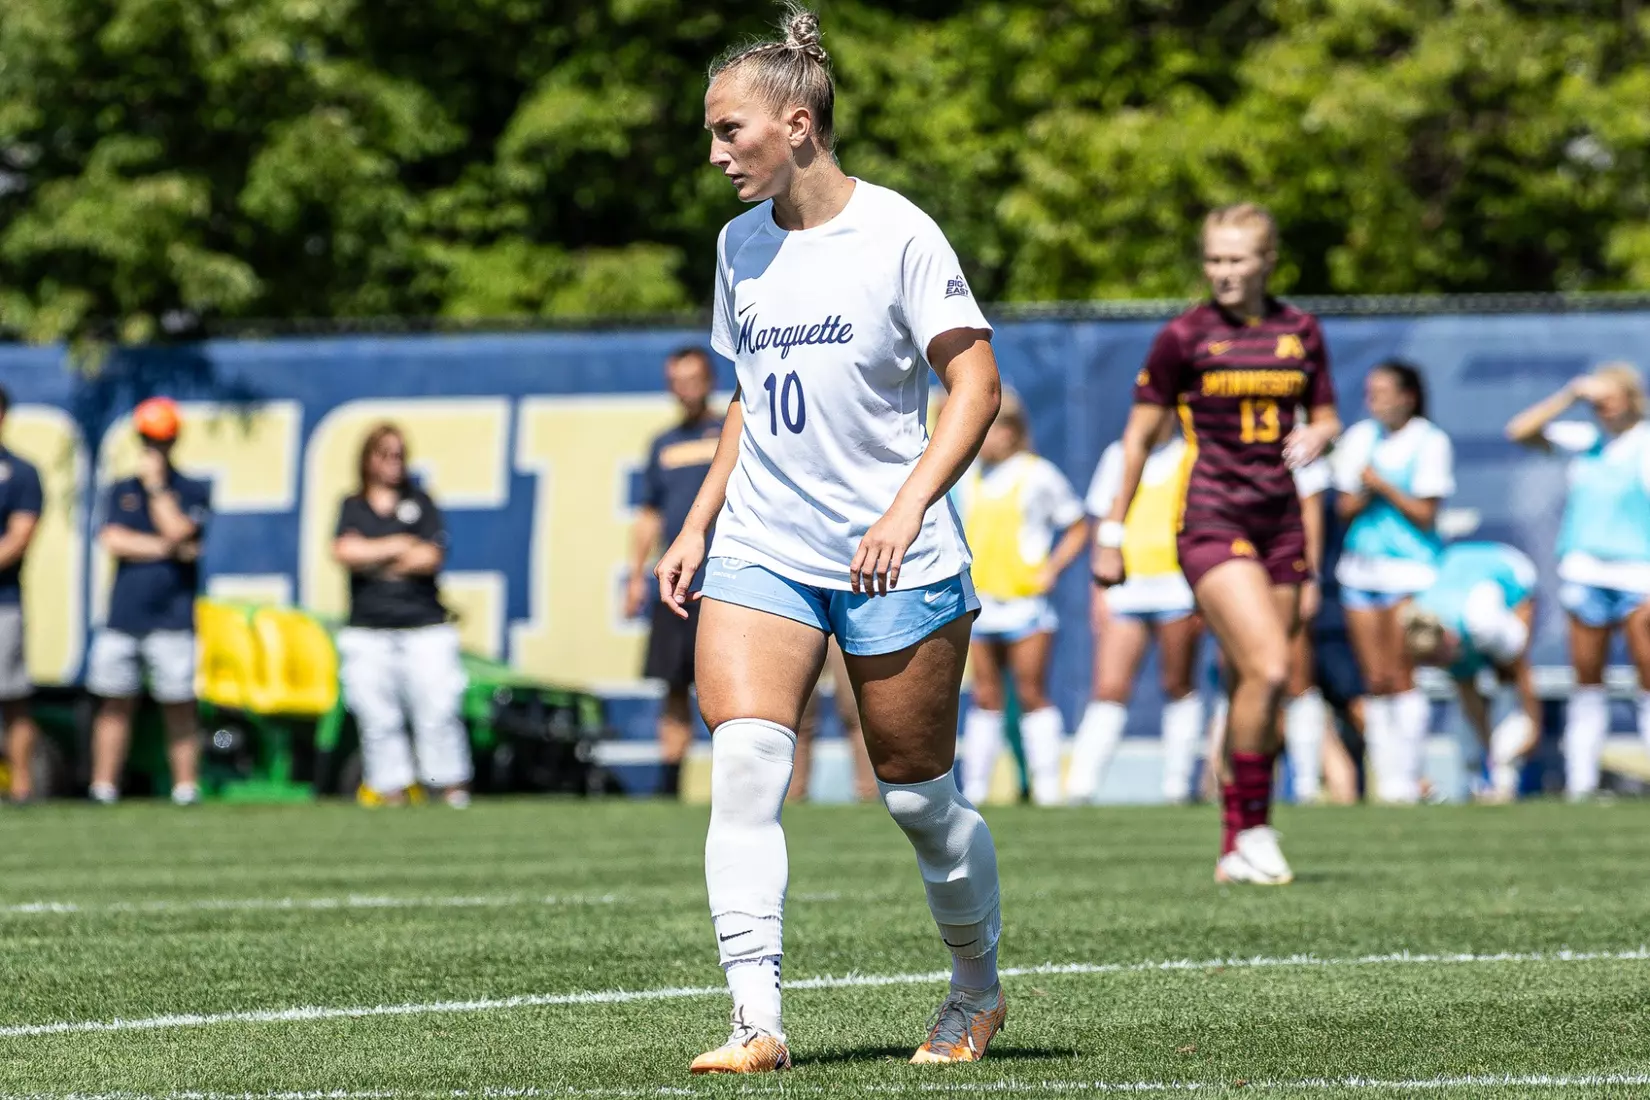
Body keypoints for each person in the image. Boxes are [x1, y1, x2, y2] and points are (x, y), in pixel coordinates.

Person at [656, 6, 1006, 1072]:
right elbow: (750, 399)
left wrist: (906, 507)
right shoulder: (737, 244)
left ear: (798, 124)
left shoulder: (898, 231)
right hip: (764, 544)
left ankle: (976, 989)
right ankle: (755, 1017)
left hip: (892, 555)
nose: (716, 156)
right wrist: (699, 518)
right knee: (749, 761)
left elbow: (978, 385)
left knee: (916, 795)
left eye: (731, 133)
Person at [1094, 202, 1339, 886]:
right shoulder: (1184, 336)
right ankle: (1255, 827)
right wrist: (1112, 533)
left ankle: (1235, 844)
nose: (1224, 272)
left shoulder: (1301, 331)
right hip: (1212, 519)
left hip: (1282, 522)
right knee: (1270, 670)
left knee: (1247, 688)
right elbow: (1139, 438)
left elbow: (1325, 414)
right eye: (1214, 259)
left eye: (1237, 259)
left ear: (1267, 262)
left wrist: (1321, 433)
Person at [1506, 363, 1650, 798]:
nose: (1604, 408)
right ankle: (1581, 782)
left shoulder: (1644, 443)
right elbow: (1520, 431)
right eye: (1599, 400)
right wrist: (1571, 395)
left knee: (1647, 676)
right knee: (1587, 681)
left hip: (1637, 573)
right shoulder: (1586, 442)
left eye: (1612, 398)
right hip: (1585, 572)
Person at [955, 391, 1088, 806]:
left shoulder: (1037, 474)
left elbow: (1077, 525)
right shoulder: (969, 475)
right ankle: (974, 789)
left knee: (1032, 692)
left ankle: (1048, 789)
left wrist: (1051, 569)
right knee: (986, 697)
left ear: (1010, 432)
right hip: (981, 602)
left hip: (1026, 603)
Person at [331, 424, 473, 808]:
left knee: (438, 709)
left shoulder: (420, 502)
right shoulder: (353, 506)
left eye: (399, 454)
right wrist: (397, 545)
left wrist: (372, 556)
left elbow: (429, 557)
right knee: (377, 715)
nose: (394, 462)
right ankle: (391, 789)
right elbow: (344, 551)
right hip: (369, 627)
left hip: (423, 623)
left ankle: (448, 787)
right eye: (385, 454)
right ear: (368, 459)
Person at [1066, 413, 1204, 804]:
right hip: (1126, 589)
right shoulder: (1118, 456)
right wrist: (1099, 591)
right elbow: (1102, 522)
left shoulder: (1191, 456)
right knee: (1109, 687)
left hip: (1179, 588)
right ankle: (1081, 787)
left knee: (1178, 685)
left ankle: (1178, 786)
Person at [1332, 360, 1454, 803]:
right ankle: (1389, 778)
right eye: (1370, 391)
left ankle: (1409, 777)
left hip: (1411, 571)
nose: (1374, 400)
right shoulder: (1360, 437)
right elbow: (1344, 508)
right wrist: (1362, 490)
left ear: (1408, 396)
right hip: (1361, 569)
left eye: (1383, 391)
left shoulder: (1430, 441)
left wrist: (1380, 484)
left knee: (1404, 675)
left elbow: (1425, 513)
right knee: (1376, 678)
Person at [87, 397, 210, 805]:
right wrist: (167, 547)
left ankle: (185, 788)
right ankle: (103, 788)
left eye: (162, 440)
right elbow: (112, 539)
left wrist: (157, 488)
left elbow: (181, 532)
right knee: (114, 704)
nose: (154, 447)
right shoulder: (120, 489)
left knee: (178, 706)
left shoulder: (191, 488)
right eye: (148, 439)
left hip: (173, 617)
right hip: (124, 616)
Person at [625, 347, 725, 798]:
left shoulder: (732, 433)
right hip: (675, 586)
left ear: (709, 380)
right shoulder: (662, 445)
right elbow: (649, 515)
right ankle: (669, 786)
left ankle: (735, 786)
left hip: (725, 582)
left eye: (692, 379)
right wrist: (634, 576)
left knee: (727, 692)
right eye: (676, 381)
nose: (684, 389)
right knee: (673, 689)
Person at [1400, 541, 1540, 803]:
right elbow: (1468, 692)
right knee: (1470, 703)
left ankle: (1506, 778)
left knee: (1505, 677)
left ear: (1450, 640)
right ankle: (1480, 779)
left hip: (1511, 573)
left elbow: (1521, 668)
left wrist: (1534, 726)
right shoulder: (1429, 624)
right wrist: (1490, 748)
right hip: (1458, 569)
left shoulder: (1482, 623)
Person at [0, 387, 43, 803]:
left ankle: (22, 787)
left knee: (11, 698)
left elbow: (19, 536)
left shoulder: (19, 472)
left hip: (3, 603)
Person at [788, 639, 876, 802]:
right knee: (796, 718)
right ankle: (793, 796)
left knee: (857, 716)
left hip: (845, 628)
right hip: (804, 622)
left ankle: (868, 795)